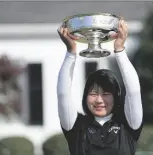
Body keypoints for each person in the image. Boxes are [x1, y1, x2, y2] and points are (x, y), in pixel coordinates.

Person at [57, 19, 143, 155]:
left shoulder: (128, 124)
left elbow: (134, 91)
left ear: (116, 97)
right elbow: (63, 94)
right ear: (85, 96)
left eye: (106, 94)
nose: (99, 100)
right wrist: (71, 52)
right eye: (93, 93)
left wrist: (119, 49)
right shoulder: (76, 126)